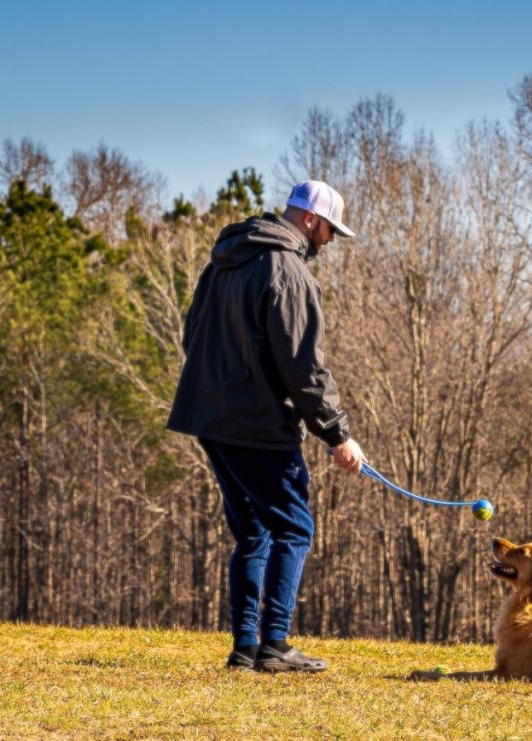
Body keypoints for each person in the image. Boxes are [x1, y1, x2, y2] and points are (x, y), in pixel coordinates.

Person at [167, 180, 365, 673]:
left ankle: (245, 648)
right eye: (330, 231)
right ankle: (275, 643)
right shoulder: (289, 271)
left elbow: (191, 335)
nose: (331, 242)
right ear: (311, 221)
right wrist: (338, 434)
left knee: (252, 534)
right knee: (295, 526)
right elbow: (304, 368)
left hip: (211, 420)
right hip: (256, 424)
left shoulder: (223, 261)